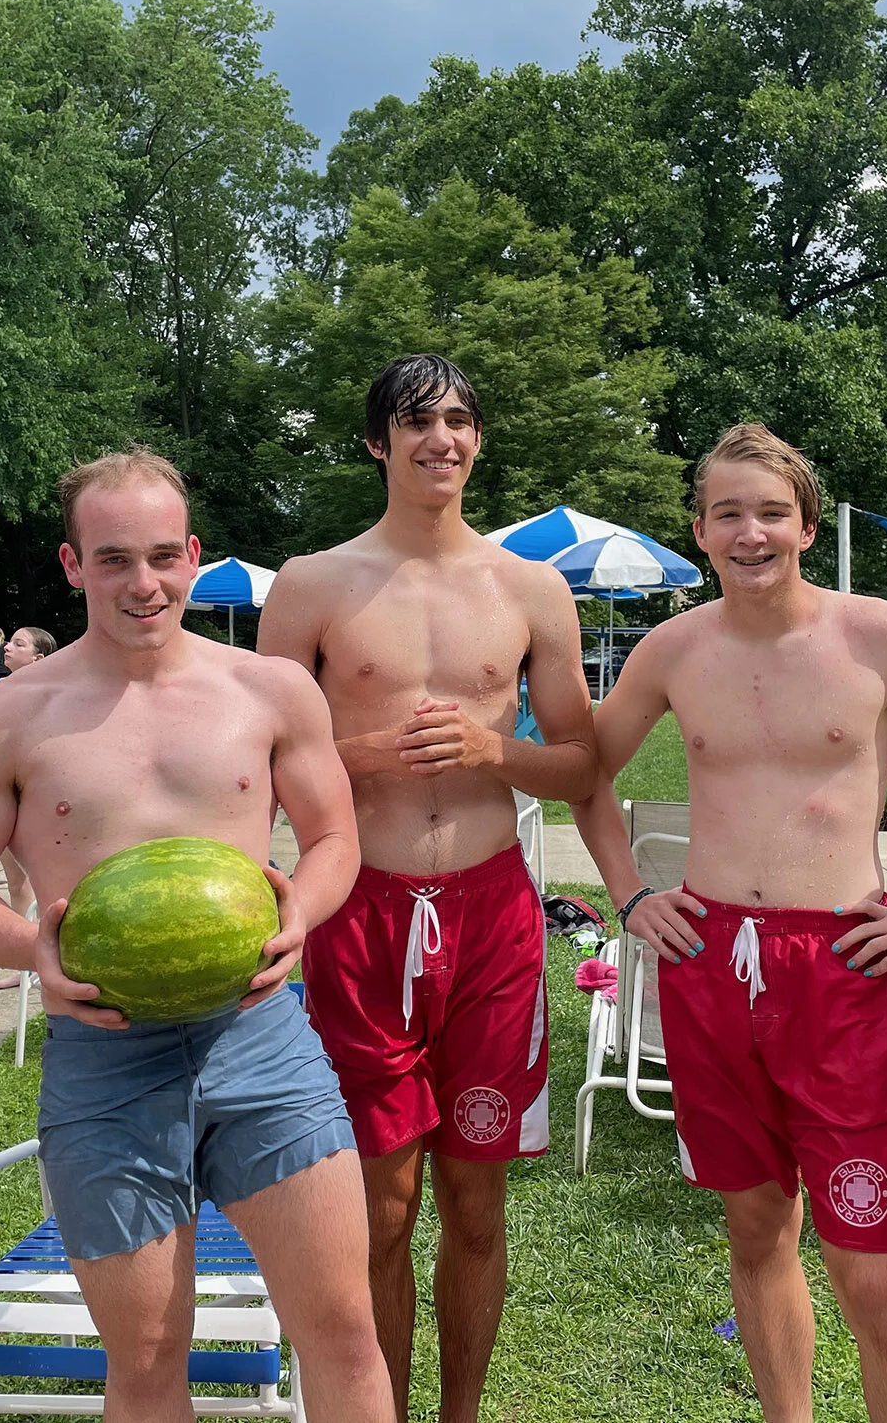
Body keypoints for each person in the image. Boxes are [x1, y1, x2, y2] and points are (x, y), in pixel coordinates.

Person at [569, 423, 887, 1423]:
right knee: (754, 1232)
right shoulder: (674, 648)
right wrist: (630, 895)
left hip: (838, 969)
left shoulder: (880, 634)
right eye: (728, 514)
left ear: (807, 526)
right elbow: (585, 775)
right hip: (709, 964)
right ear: (700, 532)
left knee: (868, 1267)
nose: (751, 534)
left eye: (771, 514)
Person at [0, 447, 393, 1422]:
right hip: (106, 1063)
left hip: (261, 1044)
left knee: (344, 1331)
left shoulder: (270, 691)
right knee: (142, 1361)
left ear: (194, 554)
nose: (144, 583)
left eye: (164, 556)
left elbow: (334, 838)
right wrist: (32, 950)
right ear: (71, 565)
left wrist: (300, 910)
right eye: (114, 560)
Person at [258, 354, 597, 1423]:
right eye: (415, 421)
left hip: (493, 917)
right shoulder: (312, 585)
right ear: (377, 442)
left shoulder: (530, 589)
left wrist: (497, 751)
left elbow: (581, 764)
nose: (438, 439)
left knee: (477, 1201)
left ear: (478, 439)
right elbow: (259, 758)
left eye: (457, 419)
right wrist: (367, 753)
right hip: (360, 911)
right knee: (382, 1206)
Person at [0, 625, 58, 992]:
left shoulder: (51, 696)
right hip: (3, 796)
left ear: (38, 658)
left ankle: (49, 959)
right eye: (9, 642)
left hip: (35, 799)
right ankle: (27, 962)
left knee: (44, 882)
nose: (7, 648)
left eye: (19, 644)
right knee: (17, 881)